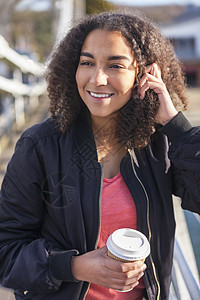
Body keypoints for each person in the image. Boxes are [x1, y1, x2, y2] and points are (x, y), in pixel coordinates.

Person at [0, 10, 199, 300]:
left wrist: (175, 125)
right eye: (87, 62)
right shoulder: (39, 146)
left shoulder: (159, 146)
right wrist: (74, 267)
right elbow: (6, 253)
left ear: (143, 74)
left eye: (115, 65)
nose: (98, 78)